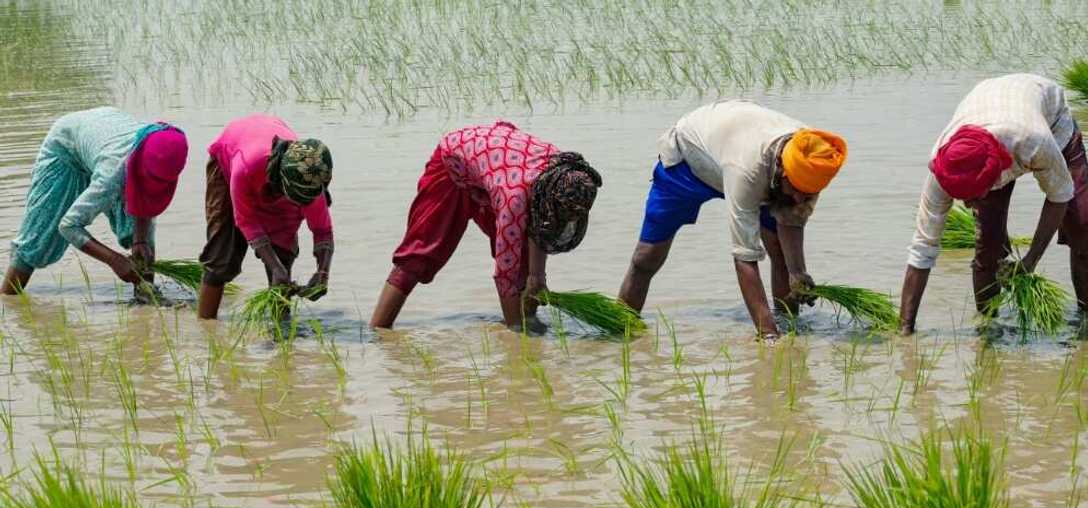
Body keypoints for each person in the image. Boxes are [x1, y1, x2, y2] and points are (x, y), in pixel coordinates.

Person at [616, 100, 847, 340]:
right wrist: (767, 336)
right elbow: (744, 258)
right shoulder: (747, 170)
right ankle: (621, 329)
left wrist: (797, 272)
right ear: (782, 170)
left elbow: (791, 221)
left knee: (779, 250)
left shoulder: (812, 160)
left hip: (753, 166)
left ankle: (788, 324)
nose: (801, 198)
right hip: (689, 163)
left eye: (807, 195)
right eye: (797, 190)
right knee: (646, 258)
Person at [898, 73, 1088, 333]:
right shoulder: (943, 166)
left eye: (973, 197)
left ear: (994, 177)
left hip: (1049, 118)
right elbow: (922, 249)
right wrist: (905, 328)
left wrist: (1030, 260)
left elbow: (1059, 195)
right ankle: (990, 330)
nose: (968, 206)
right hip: (988, 105)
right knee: (988, 243)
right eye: (963, 198)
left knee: (1081, 222)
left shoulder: (1034, 141)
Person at [369, 120, 602, 330]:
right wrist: (517, 337)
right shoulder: (515, 198)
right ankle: (376, 333)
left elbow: (540, 223)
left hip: (496, 166)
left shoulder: (564, 174)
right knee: (420, 255)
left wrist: (536, 276)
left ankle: (529, 321)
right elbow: (504, 274)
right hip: (452, 164)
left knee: (523, 259)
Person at [2, 107, 188, 295]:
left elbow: (145, 199)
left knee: (144, 239)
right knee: (37, 239)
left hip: (103, 136)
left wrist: (140, 241)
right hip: (65, 148)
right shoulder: (112, 175)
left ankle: (146, 297)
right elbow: (68, 226)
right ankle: (7, 300)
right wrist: (114, 260)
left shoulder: (164, 147)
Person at [197, 114, 334, 319]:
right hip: (231, 158)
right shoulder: (246, 167)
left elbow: (323, 231)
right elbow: (246, 221)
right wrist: (274, 266)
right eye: (297, 199)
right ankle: (205, 326)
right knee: (222, 257)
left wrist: (322, 273)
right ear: (282, 183)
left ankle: (282, 335)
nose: (303, 204)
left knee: (283, 256)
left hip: (279, 177)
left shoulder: (310, 178)